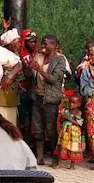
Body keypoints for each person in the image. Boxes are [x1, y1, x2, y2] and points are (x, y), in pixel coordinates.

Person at [28, 35, 69, 166]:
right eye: (42, 43)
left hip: (50, 98)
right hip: (37, 96)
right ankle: (39, 158)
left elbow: (54, 79)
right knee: (38, 129)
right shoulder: (38, 56)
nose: (43, 46)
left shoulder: (59, 59)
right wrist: (28, 67)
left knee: (51, 129)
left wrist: (38, 69)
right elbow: (30, 76)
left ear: (55, 46)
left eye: (46, 44)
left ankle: (55, 156)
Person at [54, 92, 86, 169]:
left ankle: (72, 165)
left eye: (73, 103)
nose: (71, 104)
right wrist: (62, 116)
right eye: (70, 102)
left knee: (73, 147)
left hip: (74, 134)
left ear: (79, 104)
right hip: (65, 132)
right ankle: (59, 163)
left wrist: (67, 118)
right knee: (62, 146)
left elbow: (78, 123)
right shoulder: (66, 110)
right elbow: (61, 121)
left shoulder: (79, 112)